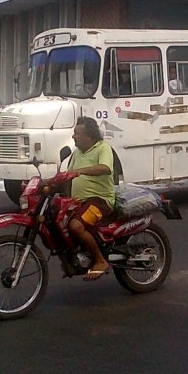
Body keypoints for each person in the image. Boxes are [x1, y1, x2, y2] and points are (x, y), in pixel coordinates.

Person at [66, 116, 116, 281]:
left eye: (77, 133)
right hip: (79, 202)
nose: (73, 136)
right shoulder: (76, 154)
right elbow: (67, 176)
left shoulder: (103, 148)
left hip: (100, 201)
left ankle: (100, 261)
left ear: (89, 136)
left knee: (75, 226)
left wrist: (81, 171)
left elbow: (105, 168)